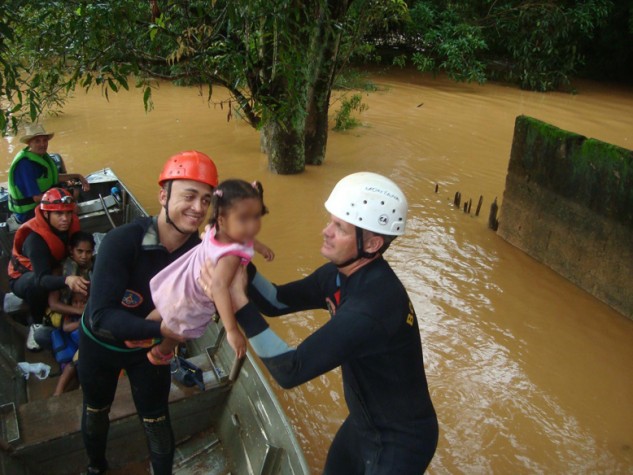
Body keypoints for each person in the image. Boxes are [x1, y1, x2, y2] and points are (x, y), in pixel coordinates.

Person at [201, 172, 439, 474]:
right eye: (330, 221)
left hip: (401, 441)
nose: (325, 231)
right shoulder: (340, 274)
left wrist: (238, 302)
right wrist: (233, 261)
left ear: (373, 242)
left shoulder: (373, 307)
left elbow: (291, 370)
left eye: (339, 227)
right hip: (364, 423)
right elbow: (277, 301)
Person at [78, 150, 218, 475]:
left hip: (148, 355)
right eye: (189, 196)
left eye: (207, 200)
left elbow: (243, 278)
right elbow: (102, 316)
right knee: (96, 410)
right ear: (162, 196)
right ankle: (96, 467)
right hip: (100, 347)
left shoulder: (199, 255)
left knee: (156, 420)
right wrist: (164, 332)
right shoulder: (122, 241)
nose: (198, 208)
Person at [135, 178, 274, 365]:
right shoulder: (231, 254)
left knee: (163, 307)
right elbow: (218, 287)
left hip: (182, 280)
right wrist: (232, 330)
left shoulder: (218, 227)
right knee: (179, 330)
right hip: (195, 297)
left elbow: (247, 237)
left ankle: (140, 333)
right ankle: (161, 352)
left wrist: (261, 247)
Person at [8, 188, 89, 351]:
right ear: (46, 214)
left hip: (55, 266)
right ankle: (36, 323)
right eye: (59, 215)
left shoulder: (70, 225)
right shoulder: (35, 240)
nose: (65, 219)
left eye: (67, 213)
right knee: (36, 284)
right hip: (26, 277)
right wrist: (67, 280)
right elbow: (42, 279)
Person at [8, 123, 90, 223]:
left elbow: (53, 177)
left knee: (75, 192)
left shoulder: (41, 156)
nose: (42, 144)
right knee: (70, 207)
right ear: (29, 143)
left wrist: (78, 176)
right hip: (29, 212)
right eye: (37, 141)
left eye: (45, 140)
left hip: (41, 201)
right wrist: (67, 205)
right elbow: (37, 198)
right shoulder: (25, 165)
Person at [52, 291, 85, 396]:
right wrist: (79, 323)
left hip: (86, 348)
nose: (79, 305)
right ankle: (57, 393)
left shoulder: (91, 313)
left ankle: (83, 390)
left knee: (81, 366)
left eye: (83, 302)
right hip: (73, 346)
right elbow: (66, 328)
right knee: (69, 367)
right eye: (75, 302)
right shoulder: (69, 315)